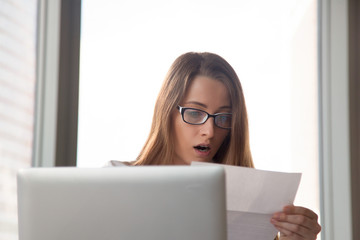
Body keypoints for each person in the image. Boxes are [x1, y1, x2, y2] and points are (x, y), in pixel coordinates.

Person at [113, 52, 321, 239]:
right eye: (195, 112)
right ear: (166, 112)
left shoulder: (255, 204)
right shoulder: (115, 181)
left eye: (223, 117)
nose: (210, 131)